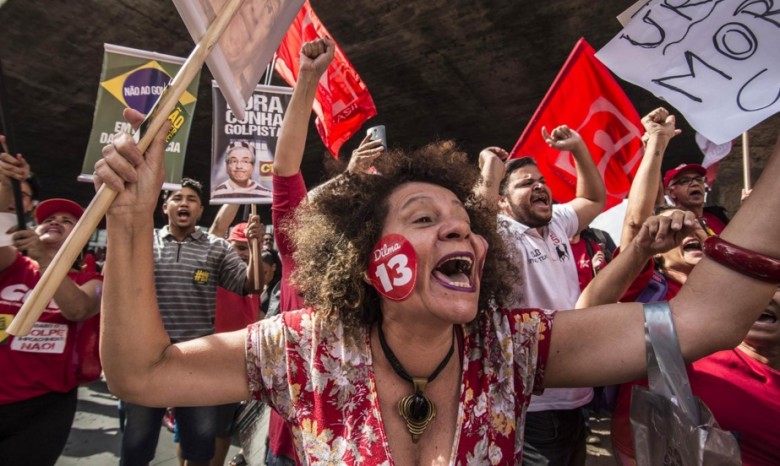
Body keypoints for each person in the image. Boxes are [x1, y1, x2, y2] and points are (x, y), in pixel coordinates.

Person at [94, 38, 780, 465]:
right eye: (426, 218)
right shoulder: (303, 350)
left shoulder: (516, 349)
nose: (465, 234)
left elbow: (703, 321)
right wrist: (129, 223)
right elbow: (144, 375)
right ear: (366, 258)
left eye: (467, 221)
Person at [478, 127, 606, 465]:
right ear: (502, 201)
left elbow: (594, 199)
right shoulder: (500, 234)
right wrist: (489, 171)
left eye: (541, 181)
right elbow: (473, 222)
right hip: (534, 403)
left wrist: (578, 147)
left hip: (578, 392)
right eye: (525, 183)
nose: (539, 186)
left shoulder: (558, 224)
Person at [118, 177, 263, 466]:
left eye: (191, 199)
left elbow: (253, 286)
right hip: (145, 358)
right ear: (164, 207)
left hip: (196, 362)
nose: (184, 203)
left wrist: (255, 246)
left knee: (199, 449)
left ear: (199, 210)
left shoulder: (216, 247)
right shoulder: (143, 244)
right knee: (135, 449)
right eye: (177, 198)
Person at [0, 197, 102, 466]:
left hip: (44, 408)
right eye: (47, 219)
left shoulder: (90, 280)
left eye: (67, 221)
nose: (56, 222)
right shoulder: (13, 266)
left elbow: (78, 309)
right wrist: (7, 183)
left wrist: (45, 259)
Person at [664, 162, 728, 235]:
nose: (695, 183)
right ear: (671, 192)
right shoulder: (672, 226)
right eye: (685, 181)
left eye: (699, 179)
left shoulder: (718, 216)